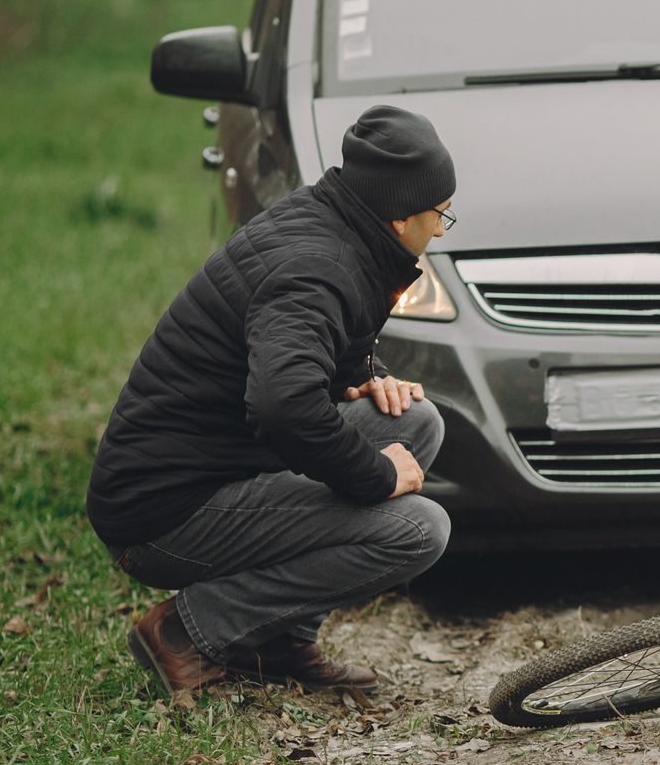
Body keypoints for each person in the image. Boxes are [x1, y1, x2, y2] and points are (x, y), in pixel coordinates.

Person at [88, 105, 458, 699]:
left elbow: (304, 347)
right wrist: (378, 474)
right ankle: (187, 632)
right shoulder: (316, 266)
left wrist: (366, 376)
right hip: (162, 512)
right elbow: (282, 406)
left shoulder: (334, 226)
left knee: (413, 421)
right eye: (440, 214)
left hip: (215, 469)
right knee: (418, 529)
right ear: (399, 217)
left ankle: (278, 640)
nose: (440, 230)